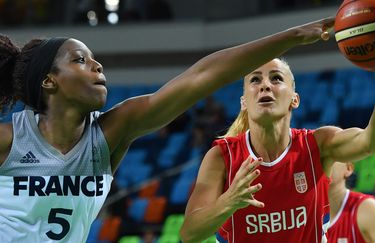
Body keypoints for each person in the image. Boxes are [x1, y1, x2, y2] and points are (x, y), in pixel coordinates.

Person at [0, 18, 333, 242]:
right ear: (49, 81)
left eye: (93, 59)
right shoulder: (8, 141)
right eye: (80, 60)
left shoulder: (112, 132)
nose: (97, 65)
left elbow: (204, 76)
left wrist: (292, 37)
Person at [180, 38, 375, 243]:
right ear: (244, 102)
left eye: (276, 78)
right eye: (255, 80)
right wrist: (228, 201)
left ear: (294, 99)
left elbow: (373, 142)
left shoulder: (317, 144)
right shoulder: (222, 157)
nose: (265, 85)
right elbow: (189, 233)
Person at [327, 162, 375, 243]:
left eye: (331, 156)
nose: (323, 163)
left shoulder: (368, 208)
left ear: (348, 168)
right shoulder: (309, 212)